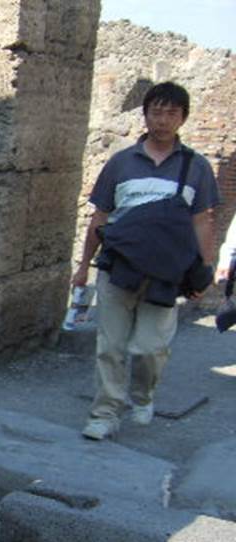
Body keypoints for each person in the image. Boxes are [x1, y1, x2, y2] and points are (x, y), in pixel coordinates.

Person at [72, 82, 220, 440]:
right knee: (110, 346)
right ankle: (105, 413)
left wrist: (205, 271)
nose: (163, 120)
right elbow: (100, 217)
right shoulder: (121, 163)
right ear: (146, 115)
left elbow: (202, 221)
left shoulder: (196, 167)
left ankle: (142, 395)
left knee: (150, 348)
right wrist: (83, 267)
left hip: (166, 272)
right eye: (156, 111)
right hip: (118, 266)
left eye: (171, 113)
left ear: (183, 118)